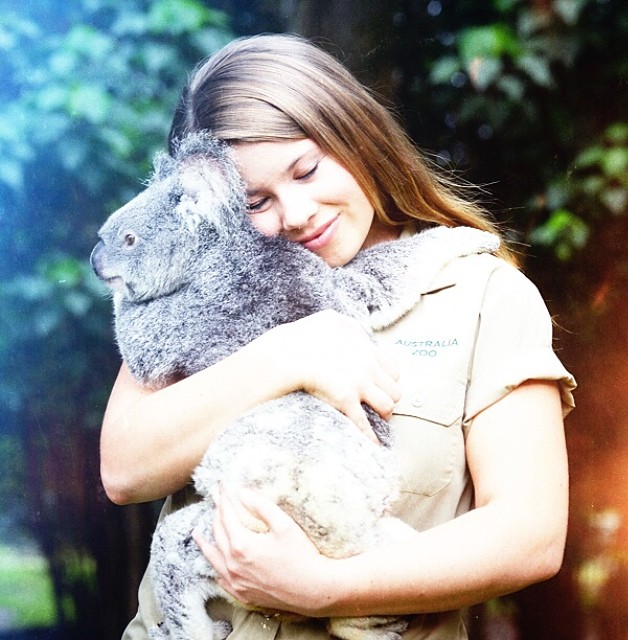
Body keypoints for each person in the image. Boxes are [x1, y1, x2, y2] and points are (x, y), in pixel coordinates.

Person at [100, 33, 576, 640]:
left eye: (306, 169)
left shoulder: (482, 294)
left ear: (354, 133)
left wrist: (325, 590)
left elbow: (529, 535)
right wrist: (288, 355)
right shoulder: (197, 280)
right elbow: (123, 469)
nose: (295, 213)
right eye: (255, 201)